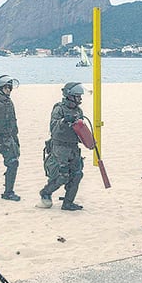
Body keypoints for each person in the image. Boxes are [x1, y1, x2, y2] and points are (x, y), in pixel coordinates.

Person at [37, 82, 90, 210]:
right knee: (62, 176)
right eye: (77, 96)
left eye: (80, 96)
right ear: (69, 96)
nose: (80, 99)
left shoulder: (78, 111)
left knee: (77, 174)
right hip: (60, 148)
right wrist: (63, 121)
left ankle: (68, 202)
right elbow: (53, 129)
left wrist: (89, 141)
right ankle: (46, 192)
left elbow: (81, 130)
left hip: (73, 147)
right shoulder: (59, 109)